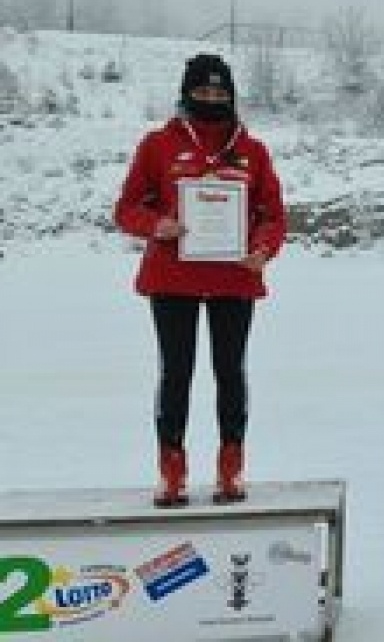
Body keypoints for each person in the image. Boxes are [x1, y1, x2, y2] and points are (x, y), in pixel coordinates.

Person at [113, 53, 286, 507]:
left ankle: (231, 468)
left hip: (234, 279)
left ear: (231, 95)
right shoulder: (157, 145)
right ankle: (172, 472)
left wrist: (264, 249)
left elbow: (272, 215)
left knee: (230, 372)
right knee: (177, 373)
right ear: (186, 93)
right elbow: (127, 209)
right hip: (173, 279)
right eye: (202, 91)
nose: (211, 98)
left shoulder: (253, 151)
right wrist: (157, 226)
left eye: (220, 92)